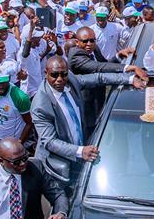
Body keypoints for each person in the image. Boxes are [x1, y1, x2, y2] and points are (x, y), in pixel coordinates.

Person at [31, 55, 141, 184]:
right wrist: (80, 151)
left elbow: (98, 78)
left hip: (82, 154)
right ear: (46, 73)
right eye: (54, 75)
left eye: (64, 74)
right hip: (59, 165)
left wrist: (129, 79)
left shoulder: (70, 80)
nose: (60, 79)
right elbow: (50, 141)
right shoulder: (40, 106)